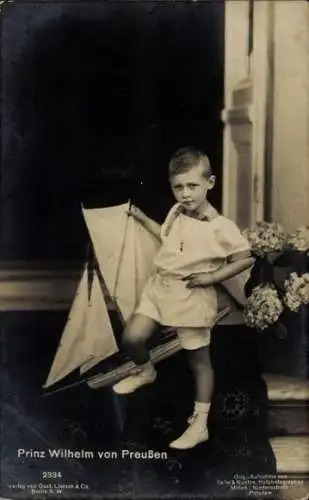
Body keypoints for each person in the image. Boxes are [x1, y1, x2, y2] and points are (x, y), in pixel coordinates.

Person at [112, 147, 254, 449]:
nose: (186, 194)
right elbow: (167, 237)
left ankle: (199, 422)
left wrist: (212, 278)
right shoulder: (177, 211)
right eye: (179, 187)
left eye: (193, 186)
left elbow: (245, 258)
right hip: (160, 289)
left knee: (198, 363)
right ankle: (146, 370)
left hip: (191, 295)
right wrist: (141, 218)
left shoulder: (220, 226)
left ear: (210, 183)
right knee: (131, 338)